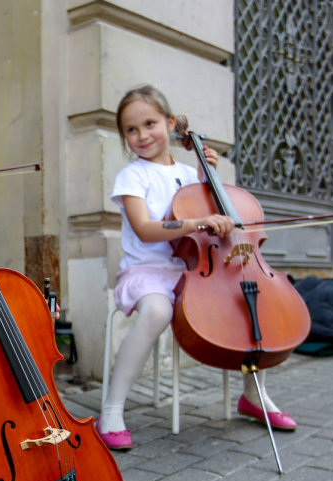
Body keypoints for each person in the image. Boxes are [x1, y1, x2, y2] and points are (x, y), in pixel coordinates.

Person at [98, 85, 296, 451]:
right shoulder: (132, 176)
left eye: (150, 123)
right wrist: (195, 223)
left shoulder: (191, 175)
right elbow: (145, 228)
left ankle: (254, 395)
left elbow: (217, 225)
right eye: (131, 129)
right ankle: (111, 409)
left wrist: (210, 176)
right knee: (157, 310)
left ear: (171, 124)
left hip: (192, 270)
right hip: (146, 270)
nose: (142, 135)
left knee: (249, 303)